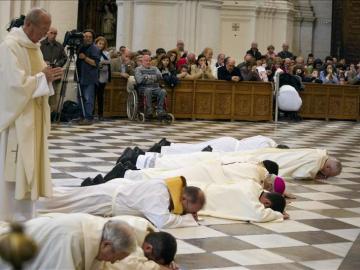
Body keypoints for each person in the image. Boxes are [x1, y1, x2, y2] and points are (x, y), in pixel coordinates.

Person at [0, 7, 64, 222]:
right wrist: (40, 78)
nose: (45, 35)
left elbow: (38, 78)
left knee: (30, 165)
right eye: (43, 29)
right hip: (16, 121)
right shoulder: (9, 47)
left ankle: (26, 214)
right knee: (14, 167)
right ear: (28, 25)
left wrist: (49, 77)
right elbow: (12, 87)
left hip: (33, 118)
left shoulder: (34, 47)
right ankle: (7, 214)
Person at [37, 177, 206, 229]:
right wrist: (189, 220)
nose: (191, 213)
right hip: (106, 199)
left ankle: (38, 196)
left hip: (113, 194)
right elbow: (162, 221)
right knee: (66, 202)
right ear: (184, 199)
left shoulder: (168, 190)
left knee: (69, 199)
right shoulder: (160, 194)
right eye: (192, 210)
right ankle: (35, 201)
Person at [0, 213, 137, 269]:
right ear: (107, 245)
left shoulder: (98, 232)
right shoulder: (71, 238)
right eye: (115, 257)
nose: (112, 262)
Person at [140, 147, 342, 180]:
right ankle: (151, 160)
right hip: (250, 160)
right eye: (327, 173)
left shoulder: (318, 152)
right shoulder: (316, 162)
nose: (324, 175)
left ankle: (150, 159)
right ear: (327, 167)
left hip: (264, 155)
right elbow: (304, 172)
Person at [40, 26, 67, 112]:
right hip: (44, 73)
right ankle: (43, 114)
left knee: (54, 95)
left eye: (55, 33)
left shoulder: (59, 45)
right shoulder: (41, 44)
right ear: (47, 33)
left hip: (55, 74)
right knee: (43, 95)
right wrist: (44, 62)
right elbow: (37, 57)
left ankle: (52, 115)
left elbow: (64, 58)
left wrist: (58, 64)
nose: (53, 35)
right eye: (51, 33)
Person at [76, 29, 101, 125]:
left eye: (89, 37)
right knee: (80, 98)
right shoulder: (81, 47)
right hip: (80, 76)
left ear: (93, 38)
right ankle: (81, 116)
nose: (87, 38)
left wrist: (85, 58)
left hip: (89, 77)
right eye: (85, 36)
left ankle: (88, 117)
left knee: (88, 98)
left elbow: (95, 63)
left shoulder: (95, 48)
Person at [134, 55, 167, 119]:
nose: (148, 62)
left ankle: (160, 110)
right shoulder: (138, 69)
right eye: (146, 61)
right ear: (142, 61)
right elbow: (139, 80)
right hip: (143, 88)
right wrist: (153, 78)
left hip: (155, 88)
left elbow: (160, 77)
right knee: (148, 90)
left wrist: (147, 77)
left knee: (163, 91)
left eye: (149, 61)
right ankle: (149, 110)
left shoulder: (155, 68)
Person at [95, 36, 111, 120]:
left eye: (102, 44)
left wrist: (102, 63)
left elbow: (108, 61)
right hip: (94, 76)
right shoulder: (93, 51)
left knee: (100, 95)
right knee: (92, 95)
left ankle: (100, 114)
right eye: (99, 43)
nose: (101, 45)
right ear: (96, 43)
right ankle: (91, 113)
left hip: (102, 76)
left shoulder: (106, 53)